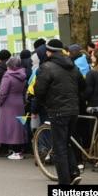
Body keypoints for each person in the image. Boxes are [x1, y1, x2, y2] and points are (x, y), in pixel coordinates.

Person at [34, 39, 85, 185]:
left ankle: (64, 181)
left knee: (59, 146)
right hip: (73, 110)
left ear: (49, 51)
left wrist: (44, 103)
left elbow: (39, 90)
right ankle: (74, 173)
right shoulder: (72, 65)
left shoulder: (47, 67)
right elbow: (83, 85)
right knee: (66, 141)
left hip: (57, 110)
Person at [0, 56, 27, 160]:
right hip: (19, 102)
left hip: (8, 103)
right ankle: (20, 150)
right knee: (19, 126)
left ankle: (15, 151)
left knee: (10, 127)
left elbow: (3, 92)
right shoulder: (22, 75)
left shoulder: (7, 76)